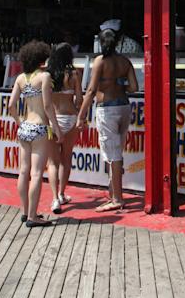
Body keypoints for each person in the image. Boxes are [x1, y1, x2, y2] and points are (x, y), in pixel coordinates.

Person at [78, 22, 138, 212]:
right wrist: (120, 85)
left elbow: (91, 90)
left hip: (107, 108)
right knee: (116, 151)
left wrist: (81, 115)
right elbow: (135, 88)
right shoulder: (125, 62)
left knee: (112, 155)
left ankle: (117, 198)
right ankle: (114, 191)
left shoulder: (100, 61)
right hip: (124, 106)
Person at [6, 41, 58, 227]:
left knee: (23, 171)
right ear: (40, 60)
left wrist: (19, 122)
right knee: (36, 174)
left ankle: (24, 211)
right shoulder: (44, 77)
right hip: (40, 128)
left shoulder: (21, 78)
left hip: (25, 127)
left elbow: (11, 105)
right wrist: (57, 128)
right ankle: (33, 217)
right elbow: (47, 106)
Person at [46, 43, 81, 214]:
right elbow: (79, 100)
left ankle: (54, 199)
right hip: (71, 118)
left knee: (52, 162)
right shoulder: (74, 74)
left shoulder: (48, 76)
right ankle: (61, 193)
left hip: (53, 120)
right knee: (66, 158)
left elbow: (45, 102)